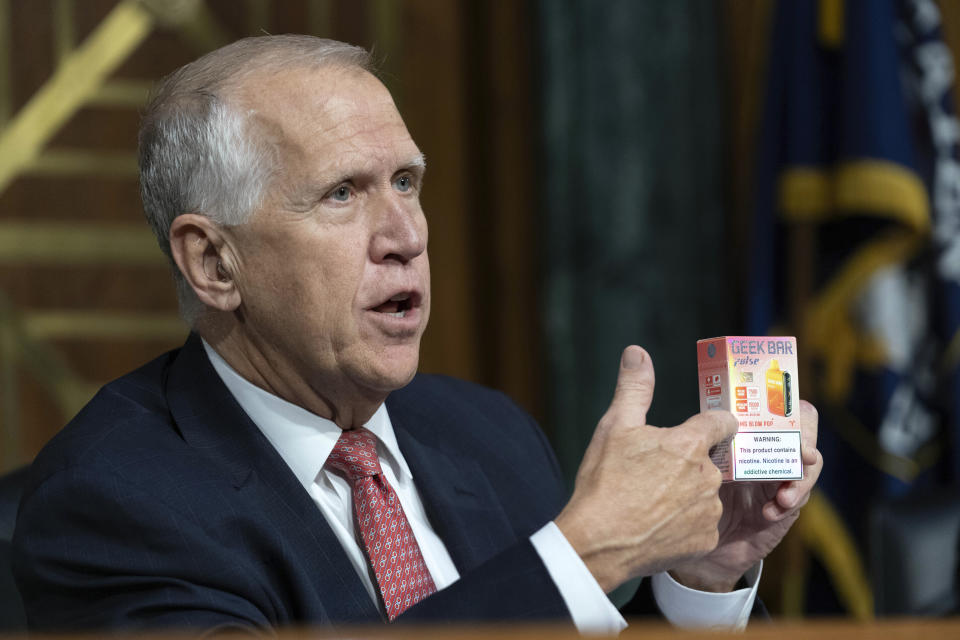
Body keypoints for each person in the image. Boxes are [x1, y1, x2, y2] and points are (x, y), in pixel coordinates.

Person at [12, 35, 822, 634]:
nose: (405, 233)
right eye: (341, 194)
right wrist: (587, 553)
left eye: (407, 182)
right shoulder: (113, 502)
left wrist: (704, 572)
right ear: (214, 262)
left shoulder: (487, 433)